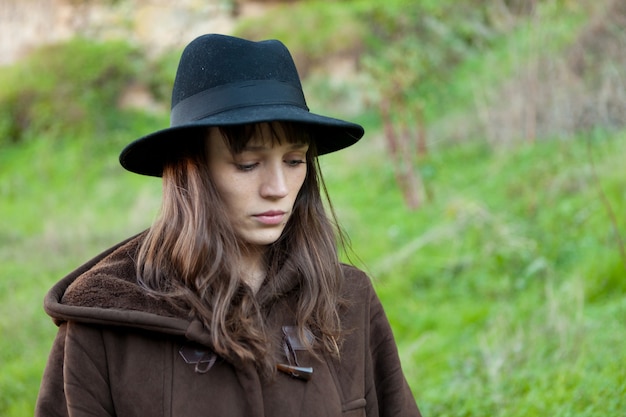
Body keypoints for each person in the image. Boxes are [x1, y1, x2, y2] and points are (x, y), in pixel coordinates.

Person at [35, 33, 421, 417]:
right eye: (247, 164)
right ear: (192, 168)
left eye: (294, 160)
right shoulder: (102, 327)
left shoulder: (347, 301)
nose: (279, 189)